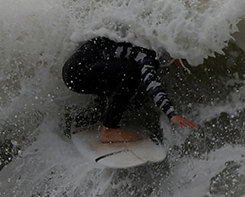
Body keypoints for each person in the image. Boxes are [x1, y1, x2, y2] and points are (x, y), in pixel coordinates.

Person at [62, 37, 196, 143]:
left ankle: (97, 112)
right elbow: (152, 83)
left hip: (75, 68)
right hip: (78, 73)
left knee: (130, 86)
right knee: (132, 71)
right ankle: (109, 129)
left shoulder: (142, 39)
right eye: (184, 59)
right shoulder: (148, 54)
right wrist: (172, 114)